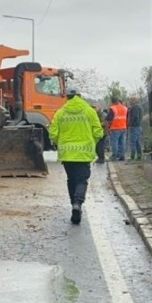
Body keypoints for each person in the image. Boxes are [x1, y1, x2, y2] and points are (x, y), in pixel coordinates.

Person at [49, 86, 104, 225]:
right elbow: (98, 132)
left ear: (67, 97)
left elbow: (53, 133)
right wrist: (92, 142)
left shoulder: (60, 113)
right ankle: (77, 203)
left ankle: (73, 203)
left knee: (71, 180)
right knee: (81, 180)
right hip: (84, 153)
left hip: (67, 153)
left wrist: (59, 143)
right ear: (80, 96)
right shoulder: (89, 111)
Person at [106, 97, 128, 161]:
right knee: (122, 142)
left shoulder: (113, 108)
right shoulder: (125, 108)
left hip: (115, 127)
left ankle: (114, 156)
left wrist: (109, 125)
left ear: (112, 102)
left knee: (114, 142)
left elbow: (108, 118)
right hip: (123, 127)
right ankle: (122, 156)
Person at [127, 96, 143, 161]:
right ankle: (139, 155)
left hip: (134, 127)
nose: (130, 102)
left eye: (131, 100)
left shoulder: (134, 108)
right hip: (138, 126)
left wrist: (129, 123)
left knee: (132, 142)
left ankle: (132, 156)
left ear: (134, 101)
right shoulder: (140, 107)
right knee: (137, 142)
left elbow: (134, 117)